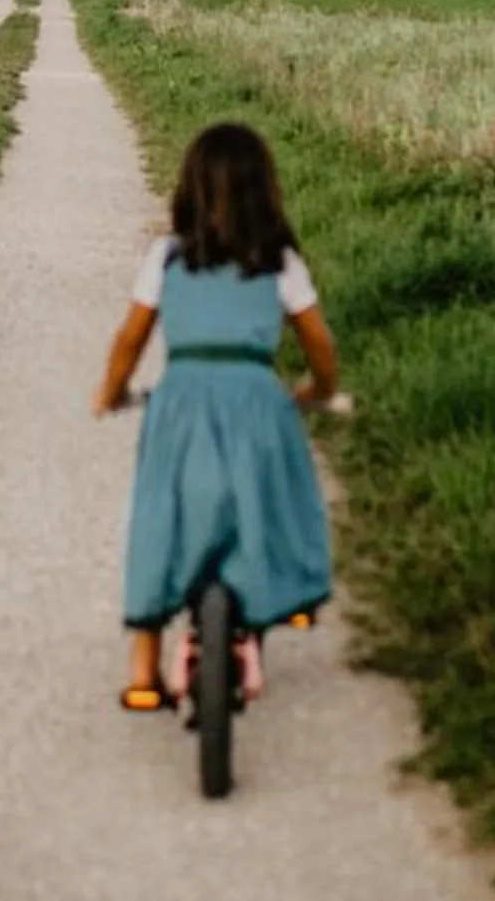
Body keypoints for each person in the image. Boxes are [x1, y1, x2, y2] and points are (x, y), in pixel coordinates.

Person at [93, 122, 340, 713]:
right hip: (258, 397)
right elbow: (318, 342)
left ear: (190, 190)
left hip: (182, 398)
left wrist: (111, 390)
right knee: (276, 500)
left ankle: (144, 670)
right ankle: (287, 594)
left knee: (161, 514)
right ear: (266, 193)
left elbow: (131, 337)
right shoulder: (279, 261)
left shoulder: (168, 255)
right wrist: (321, 387)